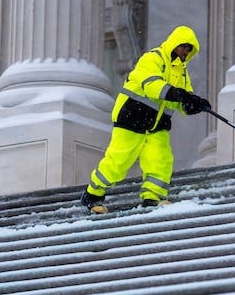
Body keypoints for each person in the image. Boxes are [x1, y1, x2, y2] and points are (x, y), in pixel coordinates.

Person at [81, 25, 211, 213]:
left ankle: (152, 198)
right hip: (132, 116)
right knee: (119, 159)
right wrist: (181, 95)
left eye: (190, 50)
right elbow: (152, 86)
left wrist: (194, 104)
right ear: (175, 44)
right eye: (185, 47)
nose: (186, 52)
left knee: (160, 159)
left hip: (157, 124)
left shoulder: (182, 73)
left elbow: (182, 101)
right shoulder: (153, 58)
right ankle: (93, 194)